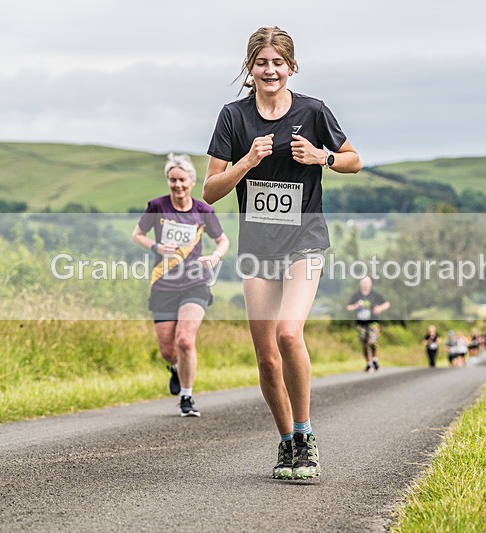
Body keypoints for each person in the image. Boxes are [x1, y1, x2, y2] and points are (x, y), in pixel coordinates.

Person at [203, 26, 361, 480]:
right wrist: (246, 163)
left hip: (304, 238)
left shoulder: (313, 112)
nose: (269, 70)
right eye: (261, 62)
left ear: (291, 66)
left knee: (289, 334)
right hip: (257, 246)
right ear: (249, 68)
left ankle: (306, 433)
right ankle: (287, 441)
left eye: (278, 62)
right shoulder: (233, 118)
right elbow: (210, 191)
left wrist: (321, 158)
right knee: (266, 355)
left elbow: (354, 158)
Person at [132, 153, 230, 417]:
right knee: (167, 350)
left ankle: (187, 397)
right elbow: (137, 234)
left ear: (192, 181)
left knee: (185, 340)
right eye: (173, 180)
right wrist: (156, 246)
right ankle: (175, 368)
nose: (177, 185)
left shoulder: (203, 211)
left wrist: (214, 257)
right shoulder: (157, 207)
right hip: (163, 285)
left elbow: (223, 240)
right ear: (168, 181)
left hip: (194, 284)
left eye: (182, 180)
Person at [346, 276, 390, 372]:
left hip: (373, 322)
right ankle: (369, 363)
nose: (365, 284)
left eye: (367, 282)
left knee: (372, 341)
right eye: (364, 282)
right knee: (364, 343)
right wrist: (355, 306)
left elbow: (387, 303)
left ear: (370, 284)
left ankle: (374, 359)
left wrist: (380, 308)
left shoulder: (375, 295)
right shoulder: (356, 295)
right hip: (361, 323)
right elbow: (348, 307)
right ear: (361, 284)